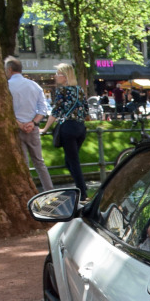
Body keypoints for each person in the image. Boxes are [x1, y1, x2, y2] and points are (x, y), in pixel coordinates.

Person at [4, 56, 53, 191]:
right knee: (39, 162)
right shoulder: (34, 86)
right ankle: (49, 190)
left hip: (16, 129)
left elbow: (5, 110)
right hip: (32, 128)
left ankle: (27, 191)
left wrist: (19, 124)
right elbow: (43, 110)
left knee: (23, 164)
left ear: (9, 69)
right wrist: (33, 123)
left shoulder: (7, 87)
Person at [41, 63, 88, 201]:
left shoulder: (62, 91)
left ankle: (82, 191)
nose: (55, 76)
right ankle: (81, 188)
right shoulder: (79, 90)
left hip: (68, 128)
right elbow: (86, 109)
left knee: (73, 161)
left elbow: (55, 112)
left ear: (65, 77)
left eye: (58, 74)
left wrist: (45, 128)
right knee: (70, 161)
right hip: (80, 128)